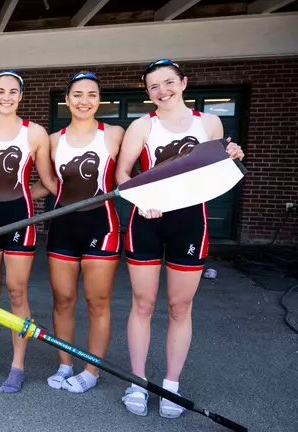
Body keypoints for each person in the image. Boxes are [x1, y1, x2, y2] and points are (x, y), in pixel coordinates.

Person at [116, 59, 244, 417]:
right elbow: (123, 174)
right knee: (142, 304)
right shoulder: (142, 125)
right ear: (147, 92)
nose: (163, 91)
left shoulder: (209, 122)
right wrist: (142, 199)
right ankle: (138, 382)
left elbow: (219, 169)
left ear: (184, 83)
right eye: (154, 86)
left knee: (179, 307)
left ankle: (171, 384)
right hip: (148, 220)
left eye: (169, 82)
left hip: (190, 222)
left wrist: (232, 155)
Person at [0, 70, 57, 392]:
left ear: (21, 96)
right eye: (0, 91)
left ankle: (18, 366)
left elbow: (48, 182)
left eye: (12, 91)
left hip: (21, 219)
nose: (6, 96)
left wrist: (24, 197)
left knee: (17, 292)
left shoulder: (35, 133)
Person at [34, 72, 124, 394]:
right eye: (77, 95)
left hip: (102, 225)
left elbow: (138, 172)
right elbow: (48, 186)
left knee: (97, 302)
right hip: (62, 226)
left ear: (99, 99)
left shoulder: (114, 134)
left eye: (91, 94)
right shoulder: (53, 140)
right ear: (67, 100)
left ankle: (91, 370)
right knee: (63, 300)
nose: (84, 101)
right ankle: (65, 363)